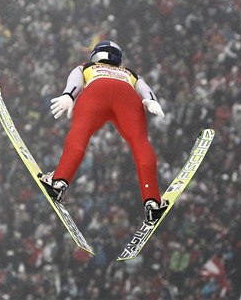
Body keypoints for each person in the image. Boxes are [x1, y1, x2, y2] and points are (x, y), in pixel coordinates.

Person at [40, 40, 168, 223]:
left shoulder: (88, 66)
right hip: (127, 96)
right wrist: (150, 99)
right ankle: (153, 202)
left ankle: (59, 181)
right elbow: (143, 87)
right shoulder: (128, 72)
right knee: (140, 143)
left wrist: (69, 95)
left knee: (79, 135)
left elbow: (75, 79)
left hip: (96, 92)